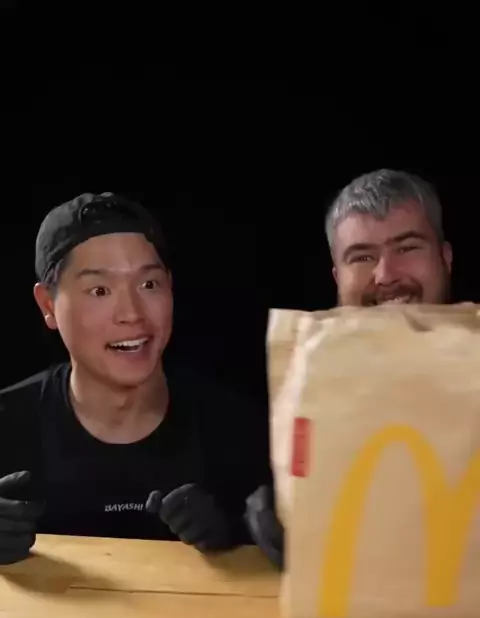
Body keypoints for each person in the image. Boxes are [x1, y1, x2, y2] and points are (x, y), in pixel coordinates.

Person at [0, 192, 271, 565]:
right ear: (48, 305)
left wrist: (239, 538)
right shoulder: (8, 424)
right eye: (100, 290)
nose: (132, 313)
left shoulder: (240, 431)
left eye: (149, 285)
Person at [245, 168, 454, 568]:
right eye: (362, 257)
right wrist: (274, 520)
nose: (386, 275)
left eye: (407, 247)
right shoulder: (303, 388)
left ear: (445, 258)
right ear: (338, 277)